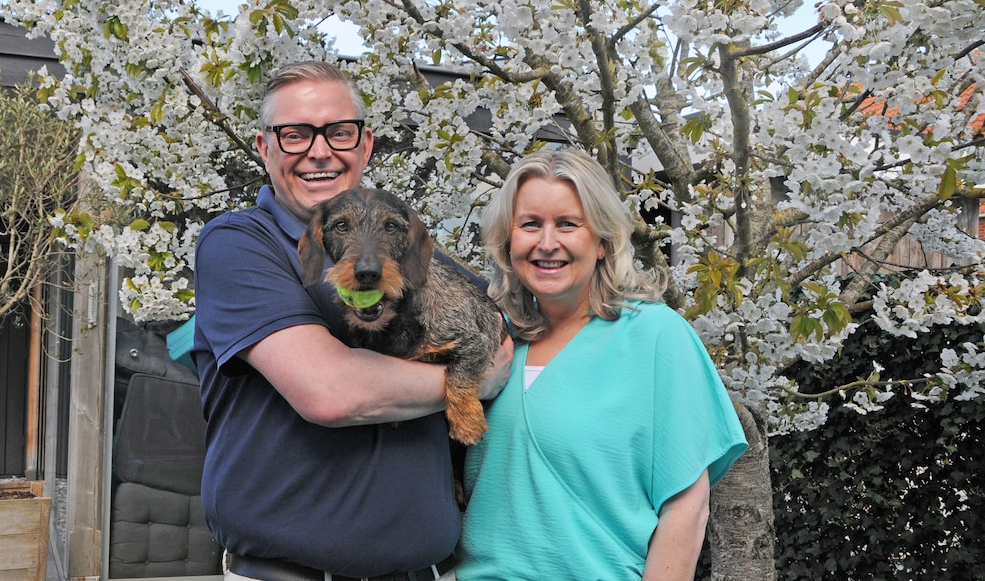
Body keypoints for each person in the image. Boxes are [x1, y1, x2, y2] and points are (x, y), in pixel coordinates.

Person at [190, 60, 511, 581]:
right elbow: (330, 392)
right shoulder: (239, 244)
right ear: (264, 148)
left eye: (339, 132)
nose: (320, 151)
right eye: (295, 134)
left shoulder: (406, 246)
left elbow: (497, 323)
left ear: (365, 145)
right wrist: (470, 382)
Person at [456, 149, 748, 580]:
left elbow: (687, 508)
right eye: (530, 224)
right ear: (507, 240)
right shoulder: (493, 337)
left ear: (603, 241)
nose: (547, 243)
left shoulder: (655, 336)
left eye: (568, 224)